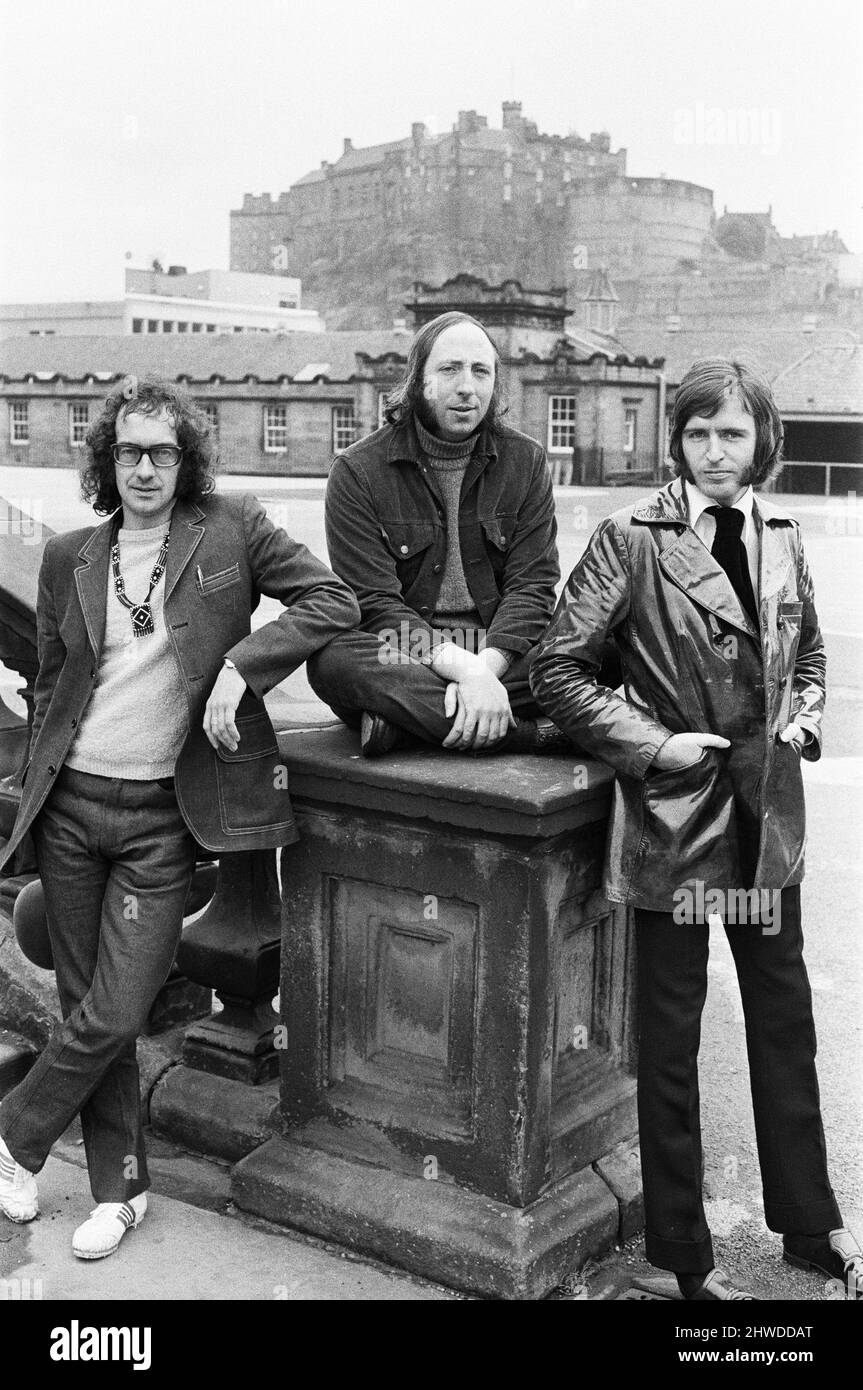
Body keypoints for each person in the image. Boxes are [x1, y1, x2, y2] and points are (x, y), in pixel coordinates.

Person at [0, 375, 359, 1259]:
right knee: (88, 1006)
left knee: (117, 1011)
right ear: (108, 458)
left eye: (163, 452)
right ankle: (120, 1194)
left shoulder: (232, 531)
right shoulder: (70, 557)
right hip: (74, 807)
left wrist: (245, 663)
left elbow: (332, 600)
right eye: (129, 451)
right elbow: (51, 682)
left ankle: (13, 1134)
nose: (145, 468)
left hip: (166, 815)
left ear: (185, 459)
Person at [530, 358, 861, 1301]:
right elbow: (558, 670)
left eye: (733, 433)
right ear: (674, 441)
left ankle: (807, 1225)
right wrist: (655, 744)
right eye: (698, 434)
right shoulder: (628, 539)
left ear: (763, 441)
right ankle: (683, 1259)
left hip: (766, 830)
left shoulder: (784, 536)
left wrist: (801, 714)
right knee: (670, 1044)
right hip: (675, 825)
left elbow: (811, 656)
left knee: (783, 1027)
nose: (716, 452)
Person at [308, 311, 595, 757]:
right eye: (450, 369)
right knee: (333, 661)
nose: (467, 386)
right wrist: (466, 675)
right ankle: (526, 733)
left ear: (495, 383)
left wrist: (485, 669)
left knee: (599, 646)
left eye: (481, 371)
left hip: (501, 649)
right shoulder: (357, 471)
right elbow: (374, 603)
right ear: (417, 380)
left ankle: (403, 723)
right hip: (407, 652)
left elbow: (532, 587)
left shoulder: (526, 460)